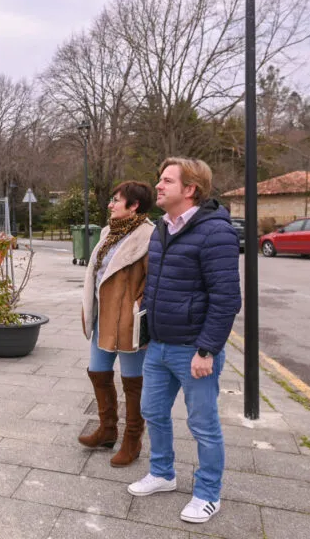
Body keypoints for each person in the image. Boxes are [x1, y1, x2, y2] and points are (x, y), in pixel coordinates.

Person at [127, 158, 241, 524]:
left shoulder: (215, 232)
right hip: (158, 345)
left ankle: (208, 493)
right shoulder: (162, 227)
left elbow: (226, 299)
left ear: (189, 189)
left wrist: (207, 349)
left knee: (203, 425)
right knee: (153, 412)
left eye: (166, 181)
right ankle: (162, 474)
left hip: (194, 349)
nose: (157, 186)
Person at [79, 181, 155, 467]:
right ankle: (107, 430)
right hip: (102, 318)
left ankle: (132, 439)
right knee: (98, 372)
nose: (110, 204)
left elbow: (154, 280)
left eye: (116, 200)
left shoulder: (149, 236)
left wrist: (138, 307)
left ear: (134, 205)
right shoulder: (109, 232)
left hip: (128, 322)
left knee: (133, 382)